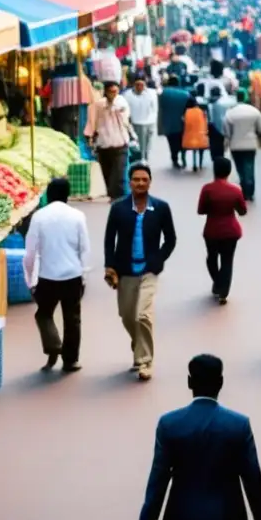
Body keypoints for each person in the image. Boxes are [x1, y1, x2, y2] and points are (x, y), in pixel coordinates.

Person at [133, 354, 261, 520]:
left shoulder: (170, 424)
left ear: (189, 382)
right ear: (221, 382)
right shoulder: (238, 425)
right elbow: (253, 480)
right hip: (228, 519)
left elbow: (156, 485)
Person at [104, 163, 177, 381]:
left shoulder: (161, 208)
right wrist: (110, 266)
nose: (140, 183)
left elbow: (171, 239)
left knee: (142, 315)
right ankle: (138, 345)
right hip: (125, 271)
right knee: (127, 316)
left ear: (150, 182)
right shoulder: (118, 208)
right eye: (136, 179)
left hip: (149, 270)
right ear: (130, 182)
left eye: (144, 179)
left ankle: (145, 361)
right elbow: (109, 240)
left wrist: (158, 260)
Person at [22, 178, 89, 372]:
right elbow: (84, 248)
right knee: (72, 319)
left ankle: (53, 346)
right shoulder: (77, 216)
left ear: (49, 195)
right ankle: (71, 360)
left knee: (43, 313)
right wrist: (84, 274)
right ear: (67, 195)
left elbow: (30, 252)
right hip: (72, 275)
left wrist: (29, 277)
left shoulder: (39, 217)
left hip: (47, 276)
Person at [197, 157, 247, 304]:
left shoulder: (207, 189)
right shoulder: (235, 190)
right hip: (231, 231)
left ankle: (217, 282)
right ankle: (223, 291)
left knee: (211, 258)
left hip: (212, 230)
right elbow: (243, 211)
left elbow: (201, 210)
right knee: (227, 260)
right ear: (229, 171)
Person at [84, 80, 135, 200]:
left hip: (120, 144)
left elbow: (121, 112)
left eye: (115, 91)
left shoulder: (121, 101)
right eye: (110, 91)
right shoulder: (98, 105)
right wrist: (90, 136)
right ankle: (113, 196)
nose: (113, 94)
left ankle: (119, 198)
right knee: (107, 174)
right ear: (106, 92)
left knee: (119, 175)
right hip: (103, 145)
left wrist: (112, 102)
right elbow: (92, 121)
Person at [224, 89, 261, 201]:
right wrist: (260, 143)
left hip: (236, 145)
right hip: (251, 144)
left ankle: (244, 188)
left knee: (240, 168)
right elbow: (260, 129)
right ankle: (250, 191)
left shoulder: (230, 112)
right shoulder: (254, 111)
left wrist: (226, 146)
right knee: (250, 167)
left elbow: (227, 132)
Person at [122, 73, 158, 164]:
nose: (139, 87)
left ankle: (145, 156)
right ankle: (141, 158)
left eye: (142, 84)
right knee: (138, 142)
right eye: (137, 85)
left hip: (149, 122)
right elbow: (125, 110)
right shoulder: (127, 94)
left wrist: (154, 122)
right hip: (135, 122)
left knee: (147, 142)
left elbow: (155, 108)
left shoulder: (152, 93)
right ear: (134, 84)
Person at [159, 75, 190, 169]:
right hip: (182, 123)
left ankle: (174, 159)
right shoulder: (185, 94)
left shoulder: (164, 93)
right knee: (182, 141)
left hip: (168, 123)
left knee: (172, 143)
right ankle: (183, 158)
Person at [207, 86, 236, 161]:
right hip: (220, 127)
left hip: (212, 127)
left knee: (213, 145)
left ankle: (215, 159)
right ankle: (220, 158)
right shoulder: (223, 102)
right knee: (220, 145)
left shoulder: (210, 102)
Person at [182, 95, 209, 172]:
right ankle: (200, 164)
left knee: (184, 149)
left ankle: (184, 163)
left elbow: (184, 123)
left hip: (188, 139)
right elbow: (205, 124)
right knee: (201, 149)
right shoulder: (201, 112)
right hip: (200, 139)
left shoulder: (186, 113)